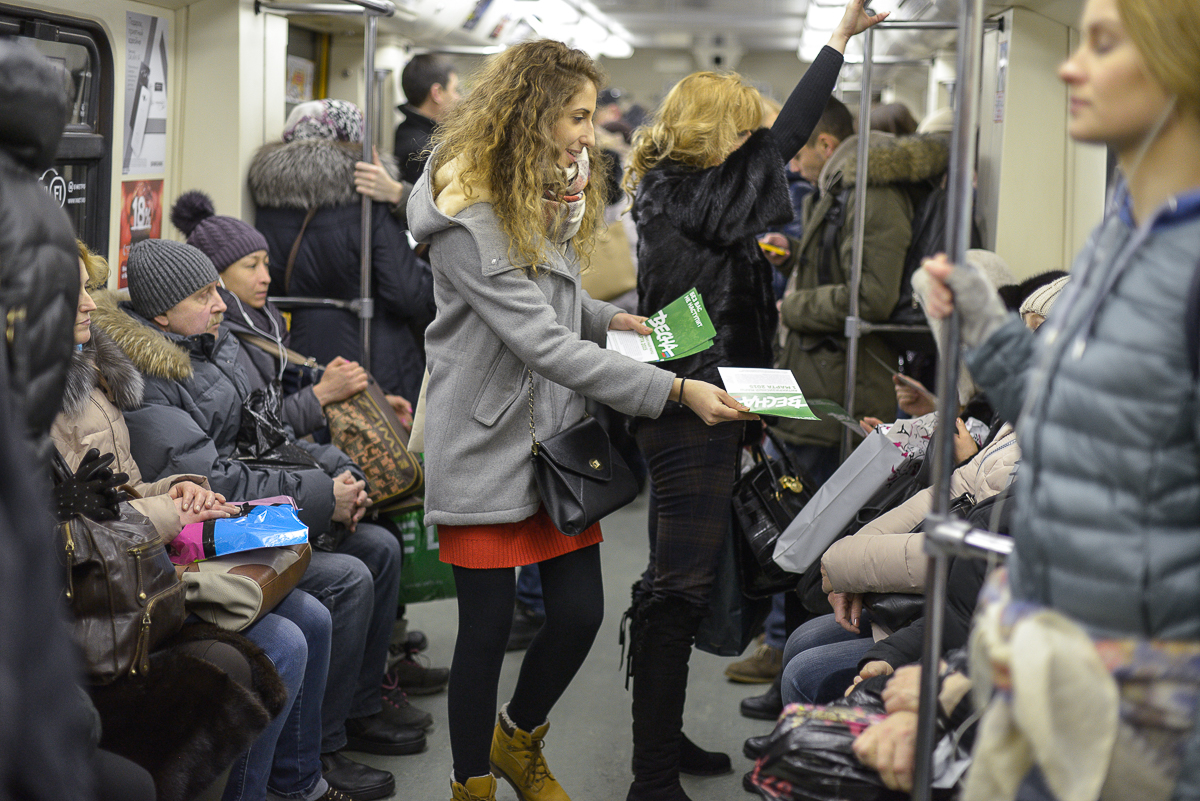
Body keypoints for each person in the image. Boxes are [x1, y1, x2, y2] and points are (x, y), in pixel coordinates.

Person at [406, 38, 757, 801]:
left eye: (589, 116)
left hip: (555, 440)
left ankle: (517, 737)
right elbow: (539, 342)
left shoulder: (540, 187)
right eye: (575, 115)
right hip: (486, 440)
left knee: (579, 613)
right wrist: (672, 390)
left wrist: (614, 320)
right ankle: (473, 784)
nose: (586, 133)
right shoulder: (471, 213)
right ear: (530, 112)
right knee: (486, 632)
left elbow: (558, 302)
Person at [920, 0, 1200, 796]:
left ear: (1181, 62)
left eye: (1104, 44)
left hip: (1150, 706)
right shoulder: (1123, 234)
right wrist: (983, 325)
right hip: (1056, 670)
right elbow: (1062, 426)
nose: (1071, 64)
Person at [620, 3, 886, 799]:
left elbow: (686, 320)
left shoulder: (688, 200)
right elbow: (679, 324)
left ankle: (662, 744)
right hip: (691, 415)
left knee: (673, 584)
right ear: (714, 136)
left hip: (703, 405)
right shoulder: (687, 201)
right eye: (741, 132)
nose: (755, 146)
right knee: (677, 592)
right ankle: (652, 774)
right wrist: (835, 43)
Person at [96, 238, 422, 800]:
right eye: (204, 294)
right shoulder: (148, 380)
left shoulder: (213, 346)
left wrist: (340, 474)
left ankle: (348, 721)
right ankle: (314, 752)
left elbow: (270, 436)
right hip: (214, 532)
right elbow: (213, 480)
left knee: (378, 545)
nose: (222, 303)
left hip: (254, 504)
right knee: (345, 580)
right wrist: (322, 497)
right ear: (161, 314)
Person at [762, 95, 949, 486]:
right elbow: (843, 265)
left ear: (827, 146)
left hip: (842, 385)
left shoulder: (870, 192)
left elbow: (870, 295)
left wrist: (793, 307)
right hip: (821, 374)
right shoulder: (837, 187)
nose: (794, 167)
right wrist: (794, 255)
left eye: (800, 155)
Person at [248, 99, 436, 403]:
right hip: (376, 351)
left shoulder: (267, 200)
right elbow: (405, 292)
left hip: (303, 348)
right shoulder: (365, 198)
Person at [395, 54, 460, 184]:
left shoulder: (407, 130)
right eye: (455, 90)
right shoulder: (422, 150)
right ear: (437, 93)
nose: (458, 98)